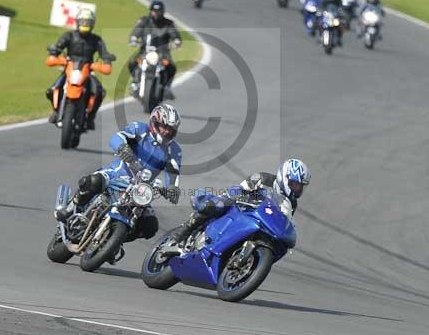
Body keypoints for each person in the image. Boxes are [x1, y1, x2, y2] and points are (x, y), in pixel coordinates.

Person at [67, 103, 183, 256]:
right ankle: (71, 207)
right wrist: (123, 148)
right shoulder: (139, 129)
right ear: (154, 122)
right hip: (117, 173)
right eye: (164, 127)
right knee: (92, 181)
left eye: (171, 130)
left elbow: (173, 173)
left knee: (150, 226)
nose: (167, 132)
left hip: (141, 190)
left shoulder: (174, 150)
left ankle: (113, 239)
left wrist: (173, 189)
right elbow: (117, 137)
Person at [164, 159, 311, 254]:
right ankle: (182, 233)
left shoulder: (292, 203)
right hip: (241, 207)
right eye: (295, 184)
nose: (297, 189)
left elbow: (283, 220)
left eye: (300, 186)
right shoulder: (264, 179)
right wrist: (231, 197)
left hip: (259, 223)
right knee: (217, 205)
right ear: (284, 178)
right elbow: (238, 188)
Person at [46, 9, 116, 130]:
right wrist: (54, 52)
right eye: (83, 22)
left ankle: (90, 118)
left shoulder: (96, 40)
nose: (85, 25)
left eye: (88, 22)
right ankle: (56, 111)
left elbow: (104, 53)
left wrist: (107, 60)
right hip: (69, 68)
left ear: (93, 24)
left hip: (88, 70)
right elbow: (58, 47)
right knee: (51, 90)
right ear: (77, 22)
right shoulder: (69, 35)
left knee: (99, 92)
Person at [128, 0, 182, 99]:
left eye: (159, 11)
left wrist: (176, 41)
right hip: (145, 51)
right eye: (154, 11)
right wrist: (134, 38)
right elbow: (136, 31)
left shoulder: (168, 23)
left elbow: (175, 35)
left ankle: (166, 87)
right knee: (132, 62)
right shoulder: (144, 21)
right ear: (151, 11)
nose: (156, 13)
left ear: (163, 11)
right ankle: (135, 82)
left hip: (162, 53)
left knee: (171, 67)